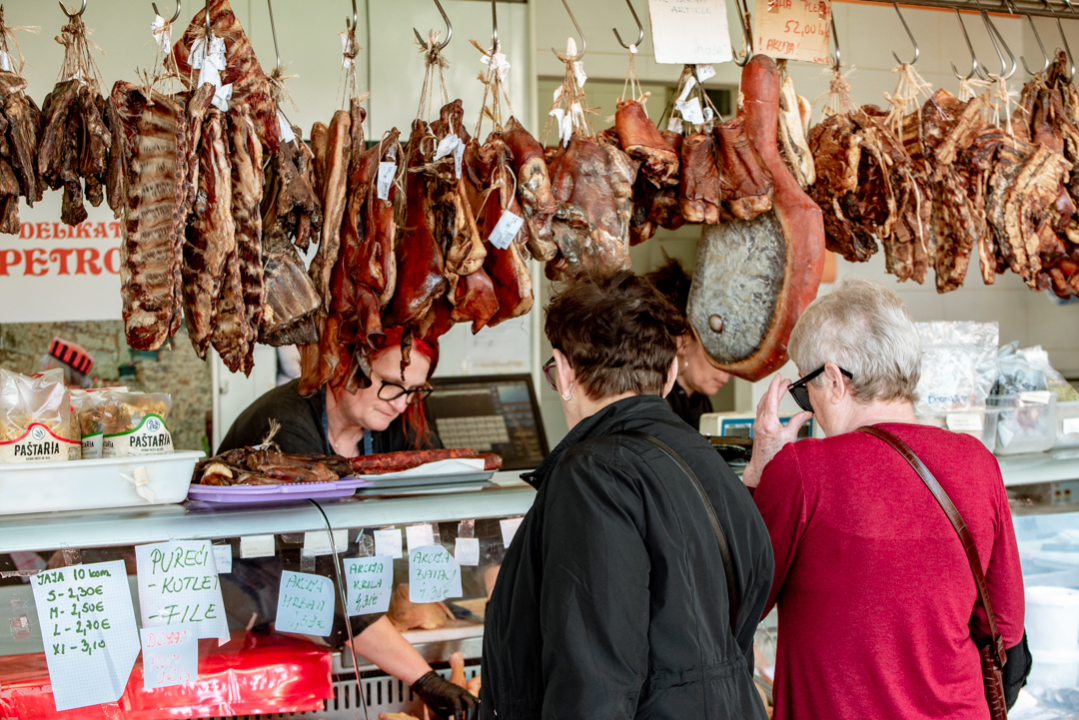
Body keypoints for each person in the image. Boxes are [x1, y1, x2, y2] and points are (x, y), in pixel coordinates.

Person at [480, 271, 774, 720]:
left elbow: (594, 679)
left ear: (562, 373)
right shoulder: (712, 461)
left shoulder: (594, 474)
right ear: (672, 371)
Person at [743, 278, 1031, 720]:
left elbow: (739, 602)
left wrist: (760, 470)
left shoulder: (803, 469)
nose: (809, 404)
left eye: (806, 387)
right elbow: (1006, 626)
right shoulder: (978, 462)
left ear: (835, 380)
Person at [217, 327, 476, 720]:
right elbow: (326, 581)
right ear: (346, 366)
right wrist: (425, 680)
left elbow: (456, 518)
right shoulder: (283, 428)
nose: (402, 404)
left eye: (415, 391)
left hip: (345, 634)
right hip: (253, 638)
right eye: (391, 384)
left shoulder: (394, 423)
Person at [644, 258, 730, 430]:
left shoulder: (701, 403)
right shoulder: (656, 403)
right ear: (682, 341)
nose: (726, 376)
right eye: (716, 354)